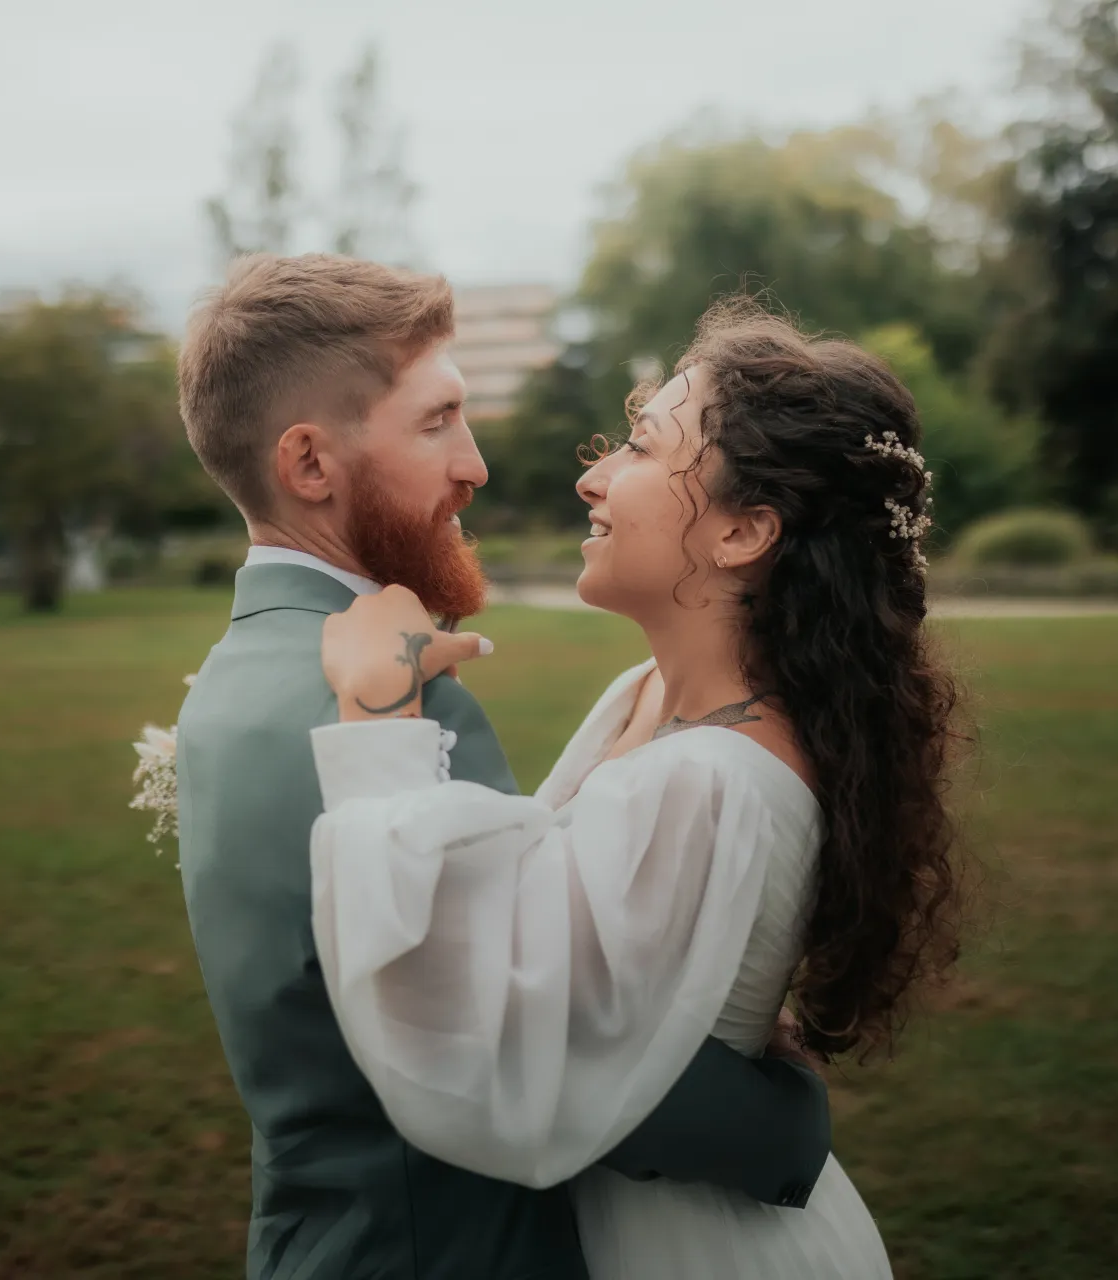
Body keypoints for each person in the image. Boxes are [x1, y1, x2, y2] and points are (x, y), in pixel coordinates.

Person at [172, 256, 833, 1280]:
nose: (475, 465)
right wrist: (778, 1118)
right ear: (309, 463)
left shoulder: (230, 677)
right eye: (437, 421)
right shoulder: (392, 707)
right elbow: (505, 1035)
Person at [308, 297, 964, 1278]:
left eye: (643, 447)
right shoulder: (649, 692)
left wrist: (376, 717)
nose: (593, 475)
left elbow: (497, 1052)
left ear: (744, 531)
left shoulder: (709, 780)